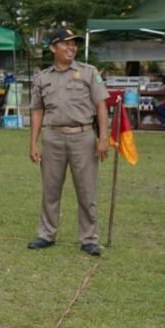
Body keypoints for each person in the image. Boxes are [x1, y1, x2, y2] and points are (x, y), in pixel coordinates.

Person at [27, 28, 109, 256]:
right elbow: (37, 111)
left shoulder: (88, 72)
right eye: (66, 43)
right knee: (50, 189)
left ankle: (89, 238)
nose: (71, 47)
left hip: (83, 137)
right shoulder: (43, 77)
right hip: (53, 136)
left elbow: (101, 106)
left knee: (87, 189)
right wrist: (33, 142)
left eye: (74, 44)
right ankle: (46, 234)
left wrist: (104, 137)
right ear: (53, 48)